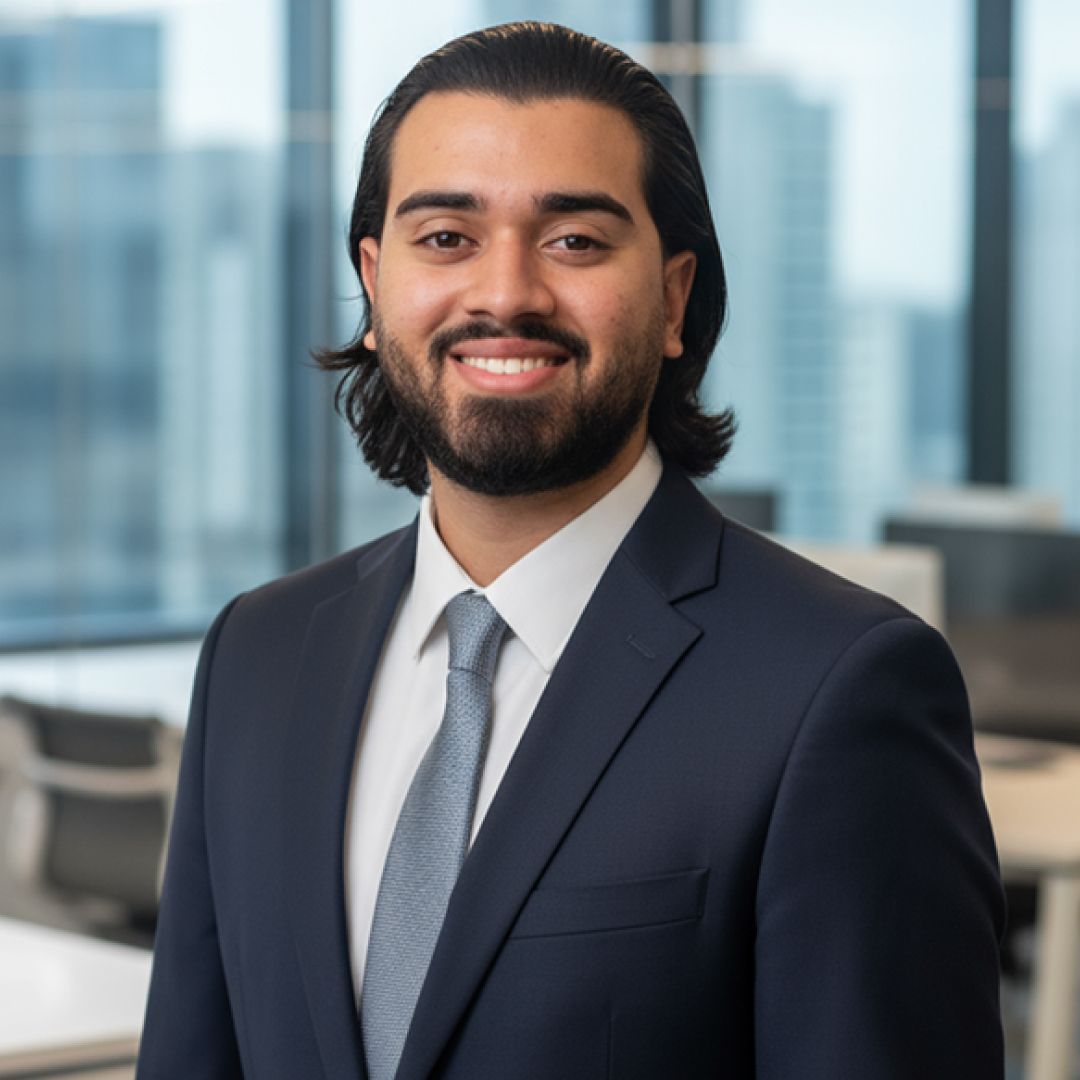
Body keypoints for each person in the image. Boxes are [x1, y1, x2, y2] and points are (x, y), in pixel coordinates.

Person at [138, 21, 1004, 1080]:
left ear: (676, 298)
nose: (505, 294)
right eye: (446, 236)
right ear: (374, 283)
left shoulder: (839, 687)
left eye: (575, 241)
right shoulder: (257, 653)